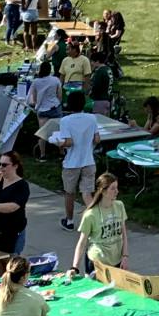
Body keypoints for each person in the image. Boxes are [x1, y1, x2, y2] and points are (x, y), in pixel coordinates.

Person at [53, 90, 101, 231]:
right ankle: (97, 219)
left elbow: (68, 142)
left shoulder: (65, 121)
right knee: (87, 193)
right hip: (88, 160)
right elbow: (97, 139)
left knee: (69, 192)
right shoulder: (92, 118)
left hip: (72, 162)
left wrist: (59, 144)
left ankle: (69, 220)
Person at [70, 172, 129, 281]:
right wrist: (75, 267)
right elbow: (82, 243)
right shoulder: (91, 214)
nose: (117, 191)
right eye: (113, 188)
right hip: (97, 262)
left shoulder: (119, 206)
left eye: (117, 188)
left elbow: (124, 234)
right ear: (103, 191)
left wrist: (125, 256)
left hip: (116, 261)